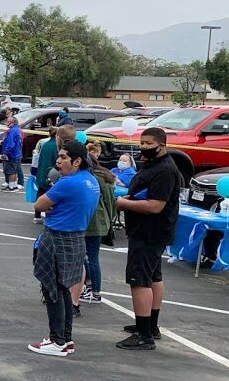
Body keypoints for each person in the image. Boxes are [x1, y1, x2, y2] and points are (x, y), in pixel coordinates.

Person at [28, 141, 100, 357]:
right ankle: (66, 339)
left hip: (57, 237)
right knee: (63, 289)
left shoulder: (68, 182)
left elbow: (39, 204)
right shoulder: (91, 180)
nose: (58, 161)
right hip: (76, 237)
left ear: (77, 161)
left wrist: (51, 205)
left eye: (63, 157)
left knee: (52, 289)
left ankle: (57, 340)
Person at [115, 127, 182, 350]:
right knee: (153, 277)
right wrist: (131, 197)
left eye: (148, 144)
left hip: (149, 232)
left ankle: (144, 335)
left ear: (161, 145)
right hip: (148, 231)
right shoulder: (153, 165)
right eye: (141, 143)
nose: (143, 147)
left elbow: (155, 206)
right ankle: (150, 325)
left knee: (140, 280)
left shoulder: (165, 170)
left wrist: (124, 203)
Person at [80, 155, 116, 305]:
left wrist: (109, 220)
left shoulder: (98, 179)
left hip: (95, 222)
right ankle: (90, 286)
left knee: (91, 257)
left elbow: (109, 201)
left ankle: (94, 290)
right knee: (87, 256)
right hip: (95, 222)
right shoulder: (101, 176)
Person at [0, 116, 23, 191]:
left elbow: (10, 143)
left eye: (8, 121)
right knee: (14, 171)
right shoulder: (18, 129)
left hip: (11, 154)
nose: (6, 123)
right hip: (17, 153)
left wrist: (5, 152)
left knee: (11, 172)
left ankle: (11, 186)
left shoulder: (12, 131)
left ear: (12, 122)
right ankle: (14, 185)